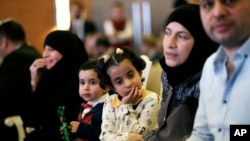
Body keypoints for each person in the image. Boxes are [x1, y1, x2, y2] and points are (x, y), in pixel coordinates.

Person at [132, 4, 218, 141]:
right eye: (168, 33)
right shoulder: (168, 73)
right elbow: (165, 130)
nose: (170, 43)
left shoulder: (211, 82)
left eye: (182, 36)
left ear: (200, 42)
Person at [187, 1, 250, 141]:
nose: (217, 13)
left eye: (229, 0)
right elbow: (203, 134)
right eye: (208, 4)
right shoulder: (210, 66)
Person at [20, 30, 88, 141]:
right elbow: (29, 120)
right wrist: (34, 82)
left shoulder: (83, 78)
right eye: (45, 49)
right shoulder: (45, 76)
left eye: (51, 50)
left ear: (66, 51)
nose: (44, 54)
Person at [98, 47, 160, 141]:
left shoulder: (152, 99)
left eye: (131, 75)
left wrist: (126, 106)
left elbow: (140, 137)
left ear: (139, 73)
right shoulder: (110, 102)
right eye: (119, 82)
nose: (128, 84)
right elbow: (104, 137)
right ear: (113, 88)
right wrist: (128, 137)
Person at [0, 19, 41, 141]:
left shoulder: (15, 59)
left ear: (4, 41)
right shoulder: (31, 51)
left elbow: (3, 96)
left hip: (20, 122)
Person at [69, 60, 110, 141]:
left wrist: (81, 128)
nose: (85, 87)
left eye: (92, 82)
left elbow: (105, 133)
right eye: (82, 82)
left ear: (106, 86)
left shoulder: (108, 108)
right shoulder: (88, 104)